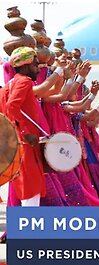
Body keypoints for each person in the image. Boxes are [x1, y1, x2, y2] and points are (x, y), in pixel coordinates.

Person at [1, 47, 45, 206]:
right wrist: (26, 132)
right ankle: (30, 228)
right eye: (35, 65)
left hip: (16, 146)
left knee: (26, 189)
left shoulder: (8, 85)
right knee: (31, 190)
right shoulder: (24, 81)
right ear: (25, 66)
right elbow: (12, 106)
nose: (38, 70)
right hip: (26, 145)